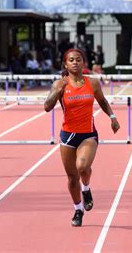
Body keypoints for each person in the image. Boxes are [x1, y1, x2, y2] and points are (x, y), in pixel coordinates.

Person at [44, 48, 120, 227]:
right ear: (65, 64)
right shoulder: (59, 84)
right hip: (68, 136)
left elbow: (102, 101)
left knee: (82, 166)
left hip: (88, 134)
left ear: (83, 63)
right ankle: (78, 209)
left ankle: (86, 189)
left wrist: (112, 117)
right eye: (71, 60)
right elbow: (47, 107)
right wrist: (58, 91)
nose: (75, 62)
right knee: (72, 178)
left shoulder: (92, 83)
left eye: (78, 59)